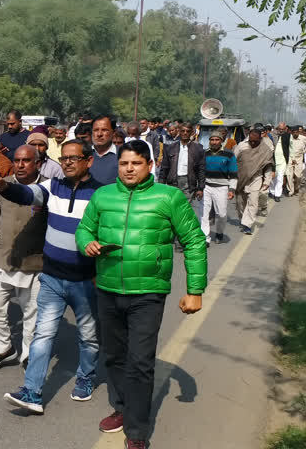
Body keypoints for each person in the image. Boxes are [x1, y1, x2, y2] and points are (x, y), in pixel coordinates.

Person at [76, 140, 207, 449]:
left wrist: (195, 290)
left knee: (140, 361)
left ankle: (137, 431)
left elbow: (194, 241)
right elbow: (84, 229)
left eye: (136, 163)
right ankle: (122, 409)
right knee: (115, 356)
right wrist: (87, 244)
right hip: (108, 289)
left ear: (149, 165)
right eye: (124, 164)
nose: (129, 169)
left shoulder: (169, 197)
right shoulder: (103, 195)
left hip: (148, 292)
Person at [0, 139, 102, 413]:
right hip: (52, 278)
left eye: (73, 158)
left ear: (88, 161)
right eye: (63, 158)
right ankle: (32, 392)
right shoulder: (52, 187)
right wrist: (5, 186)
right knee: (42, 335)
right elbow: (26, 194)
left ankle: (86, 377)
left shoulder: (102, 195)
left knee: (89, 336)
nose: (66, 162)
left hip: (84, 281)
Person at [0, 145, 46, 370]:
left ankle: (28, 354)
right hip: (1, 256)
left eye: (26, 161)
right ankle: (4, 349)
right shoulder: (2, 184)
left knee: (32, 314)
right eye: (16, 160)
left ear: (37, 163)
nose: (19, 165)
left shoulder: (48, 188)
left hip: (34, 263)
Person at [159, 122, 205, 226]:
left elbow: (201, 169)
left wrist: (200, 188)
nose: (185, 133)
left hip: (188, 183)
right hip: (173, 182)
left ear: (192, 132)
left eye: (187, 131)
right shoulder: (170, 148)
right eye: (182, 131)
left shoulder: (198, 149)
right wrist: (161, 185)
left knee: (184, 210)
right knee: (172, 209)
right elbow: (164, 168)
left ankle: (182, 236)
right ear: (179, 132)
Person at [234, 128, 274, 234]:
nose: (252, 142)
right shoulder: (241, 146)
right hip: (240, 178)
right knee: (240, 203)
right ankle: (243, 219)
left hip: (256, 179)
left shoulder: (265, 149)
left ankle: (247, 225)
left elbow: (268, 166)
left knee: (253, 202)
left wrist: (267, 181)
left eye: (255, 141)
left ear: (260, 139)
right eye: (251, 140)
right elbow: (234, 162)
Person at [202, 131, 237, 246]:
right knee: (204, 213)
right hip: (206, 186)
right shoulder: (204, 153)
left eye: (217, 140)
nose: (214, 142)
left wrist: (232, 189)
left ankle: (220, 232)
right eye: (212, 140)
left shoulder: (229, 154)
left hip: (222, 188)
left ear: (221, 141)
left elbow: (233, 173)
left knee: (221, 214)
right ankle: (205, 237)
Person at [90, 114, 118, 185]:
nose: (99, 134)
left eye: (104, 130)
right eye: (96, 130)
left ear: (114, 133)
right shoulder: (83, 154)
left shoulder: (122, 155)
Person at [286, 125, 306, 195]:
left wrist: (304, 151)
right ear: (291, 133)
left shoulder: (303, 138)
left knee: (298, 176)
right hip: (290, 158)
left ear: (298, 132)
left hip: (299, 158)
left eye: (296, 132)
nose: (295, 134)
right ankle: (291, 190)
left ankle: (296, 188)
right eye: (294, 132)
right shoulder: (289, 138)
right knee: (289, 175)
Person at [271, 122, 290, 202]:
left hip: (282, 161)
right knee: (273, 177)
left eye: (283, 129)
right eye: (280, 129)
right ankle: (272, 192)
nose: (281, 131)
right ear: (277, 129)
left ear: (285, 129)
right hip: (273, 160)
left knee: (280, 178)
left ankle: (277, 195)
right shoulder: (272, 136)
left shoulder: (288, 136)